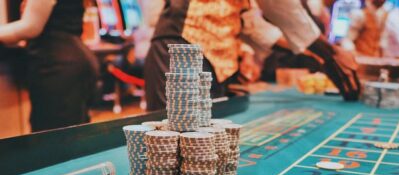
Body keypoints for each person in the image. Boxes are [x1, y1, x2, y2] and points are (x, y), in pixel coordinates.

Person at [145, 0, 360, 111]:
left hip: (216, 65)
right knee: (171, 147)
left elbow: (248, 23)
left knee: (200, 147)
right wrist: (330, 51)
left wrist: (314, 56)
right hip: (179, 49)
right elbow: (277, 4)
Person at [0, 0, 99, 132]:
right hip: (73, 62)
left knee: (53, 141)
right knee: (74, 138)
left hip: (58, 67)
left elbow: (30, 28)